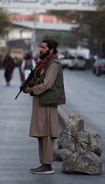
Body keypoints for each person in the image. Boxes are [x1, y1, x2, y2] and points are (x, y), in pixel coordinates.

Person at [23, 39, 66, 174]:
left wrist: (31, 89)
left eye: (44, 47)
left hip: (47, 103)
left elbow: (48, 84)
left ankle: (47, 165)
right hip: (41, 102)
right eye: (40, 47)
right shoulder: (43, 64)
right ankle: (43, 164)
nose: (41, 49)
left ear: (51, 50)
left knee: (47, 134)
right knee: (41, 134)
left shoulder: (53, 64)